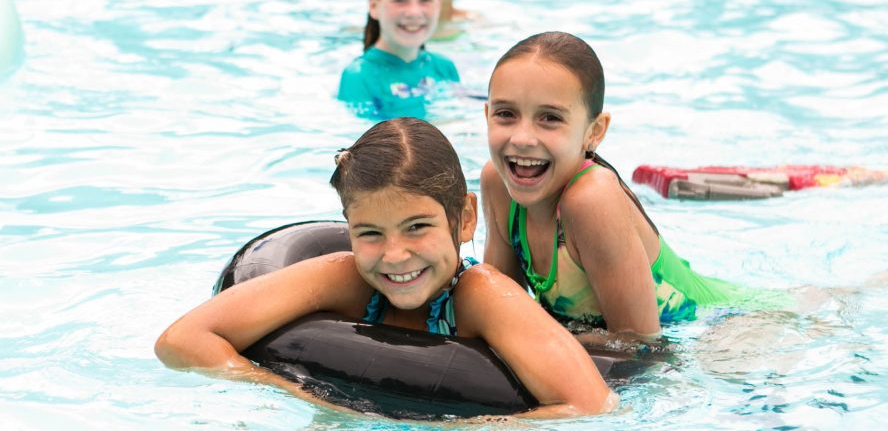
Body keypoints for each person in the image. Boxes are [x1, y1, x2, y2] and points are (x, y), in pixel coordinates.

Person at [155, 117, 617, 419]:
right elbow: (180, 340)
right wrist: (290, 390)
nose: (394, 255)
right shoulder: (346, 276)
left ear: (466, 218)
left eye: (417, 227)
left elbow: (591, 405)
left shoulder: (482, 296)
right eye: (370, 233)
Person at [481, 32, 755, 339]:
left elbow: (639, 344)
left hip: (732, 322)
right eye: (505, 114)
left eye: (550, 118)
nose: (521, 138)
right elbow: (499, 309)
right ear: (487, 115)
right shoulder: (497, 183)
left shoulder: (592, 198)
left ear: (594, 132)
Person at [338, 0, 460, 120]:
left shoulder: (444, 68)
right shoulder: (359, 77)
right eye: (400, 0)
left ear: (438, 3)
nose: (414, 12)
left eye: (425, 0)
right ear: (374, 6)